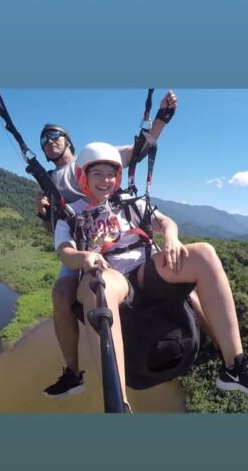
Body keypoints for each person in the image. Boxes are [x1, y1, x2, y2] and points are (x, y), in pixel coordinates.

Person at [54, 143, 248, 411]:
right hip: (110, 274)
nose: (105, 180)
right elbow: (65, 251)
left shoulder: (130, 203)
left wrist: (171, 237)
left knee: (204, 253)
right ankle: (118, 402)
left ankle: (235, 365)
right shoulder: (71, 214)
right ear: (83, 176)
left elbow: (166, 222)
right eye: (97, 173)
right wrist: (83, 258)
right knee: (102, 287)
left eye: (110, 174)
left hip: (145, 269)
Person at [35, 93, 177, 397]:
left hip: (116, 234)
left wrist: (161, 119)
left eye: (55, 135)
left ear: (68, 141)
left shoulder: (95, 158)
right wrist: (44, 214)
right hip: (82, 244)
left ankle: (224, 351)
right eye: (44, 140)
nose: (49, 141)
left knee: (181, 265)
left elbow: (137, 151)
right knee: (60, 295)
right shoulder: (48, 180)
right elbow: (55, 230)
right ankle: (73, 373)